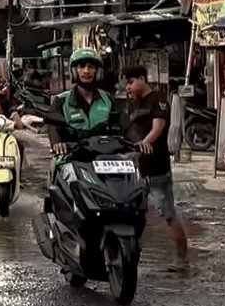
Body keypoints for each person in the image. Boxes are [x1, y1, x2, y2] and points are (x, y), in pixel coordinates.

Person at [123, 65, 188, 271]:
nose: (128, 87)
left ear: (142, 79)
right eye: (126, 84)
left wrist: (144, 144)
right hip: (137, 169)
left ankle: (182, 259)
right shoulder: (133, 104)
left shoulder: (157, 100)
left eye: (131, 82)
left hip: (157, 168)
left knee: (168, 213)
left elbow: (158, 127)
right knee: (133, 214)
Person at [46, 50, 118, 180]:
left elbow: (123, 124)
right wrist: (57, 142)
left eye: (91, 67)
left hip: (105, 156)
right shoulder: (61, 100)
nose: (86, 71)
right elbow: (53, 124)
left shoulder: (108, 99)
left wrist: (137, 142)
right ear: (74, 71)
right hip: (73, 156)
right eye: (82, 66)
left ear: (97, 71)